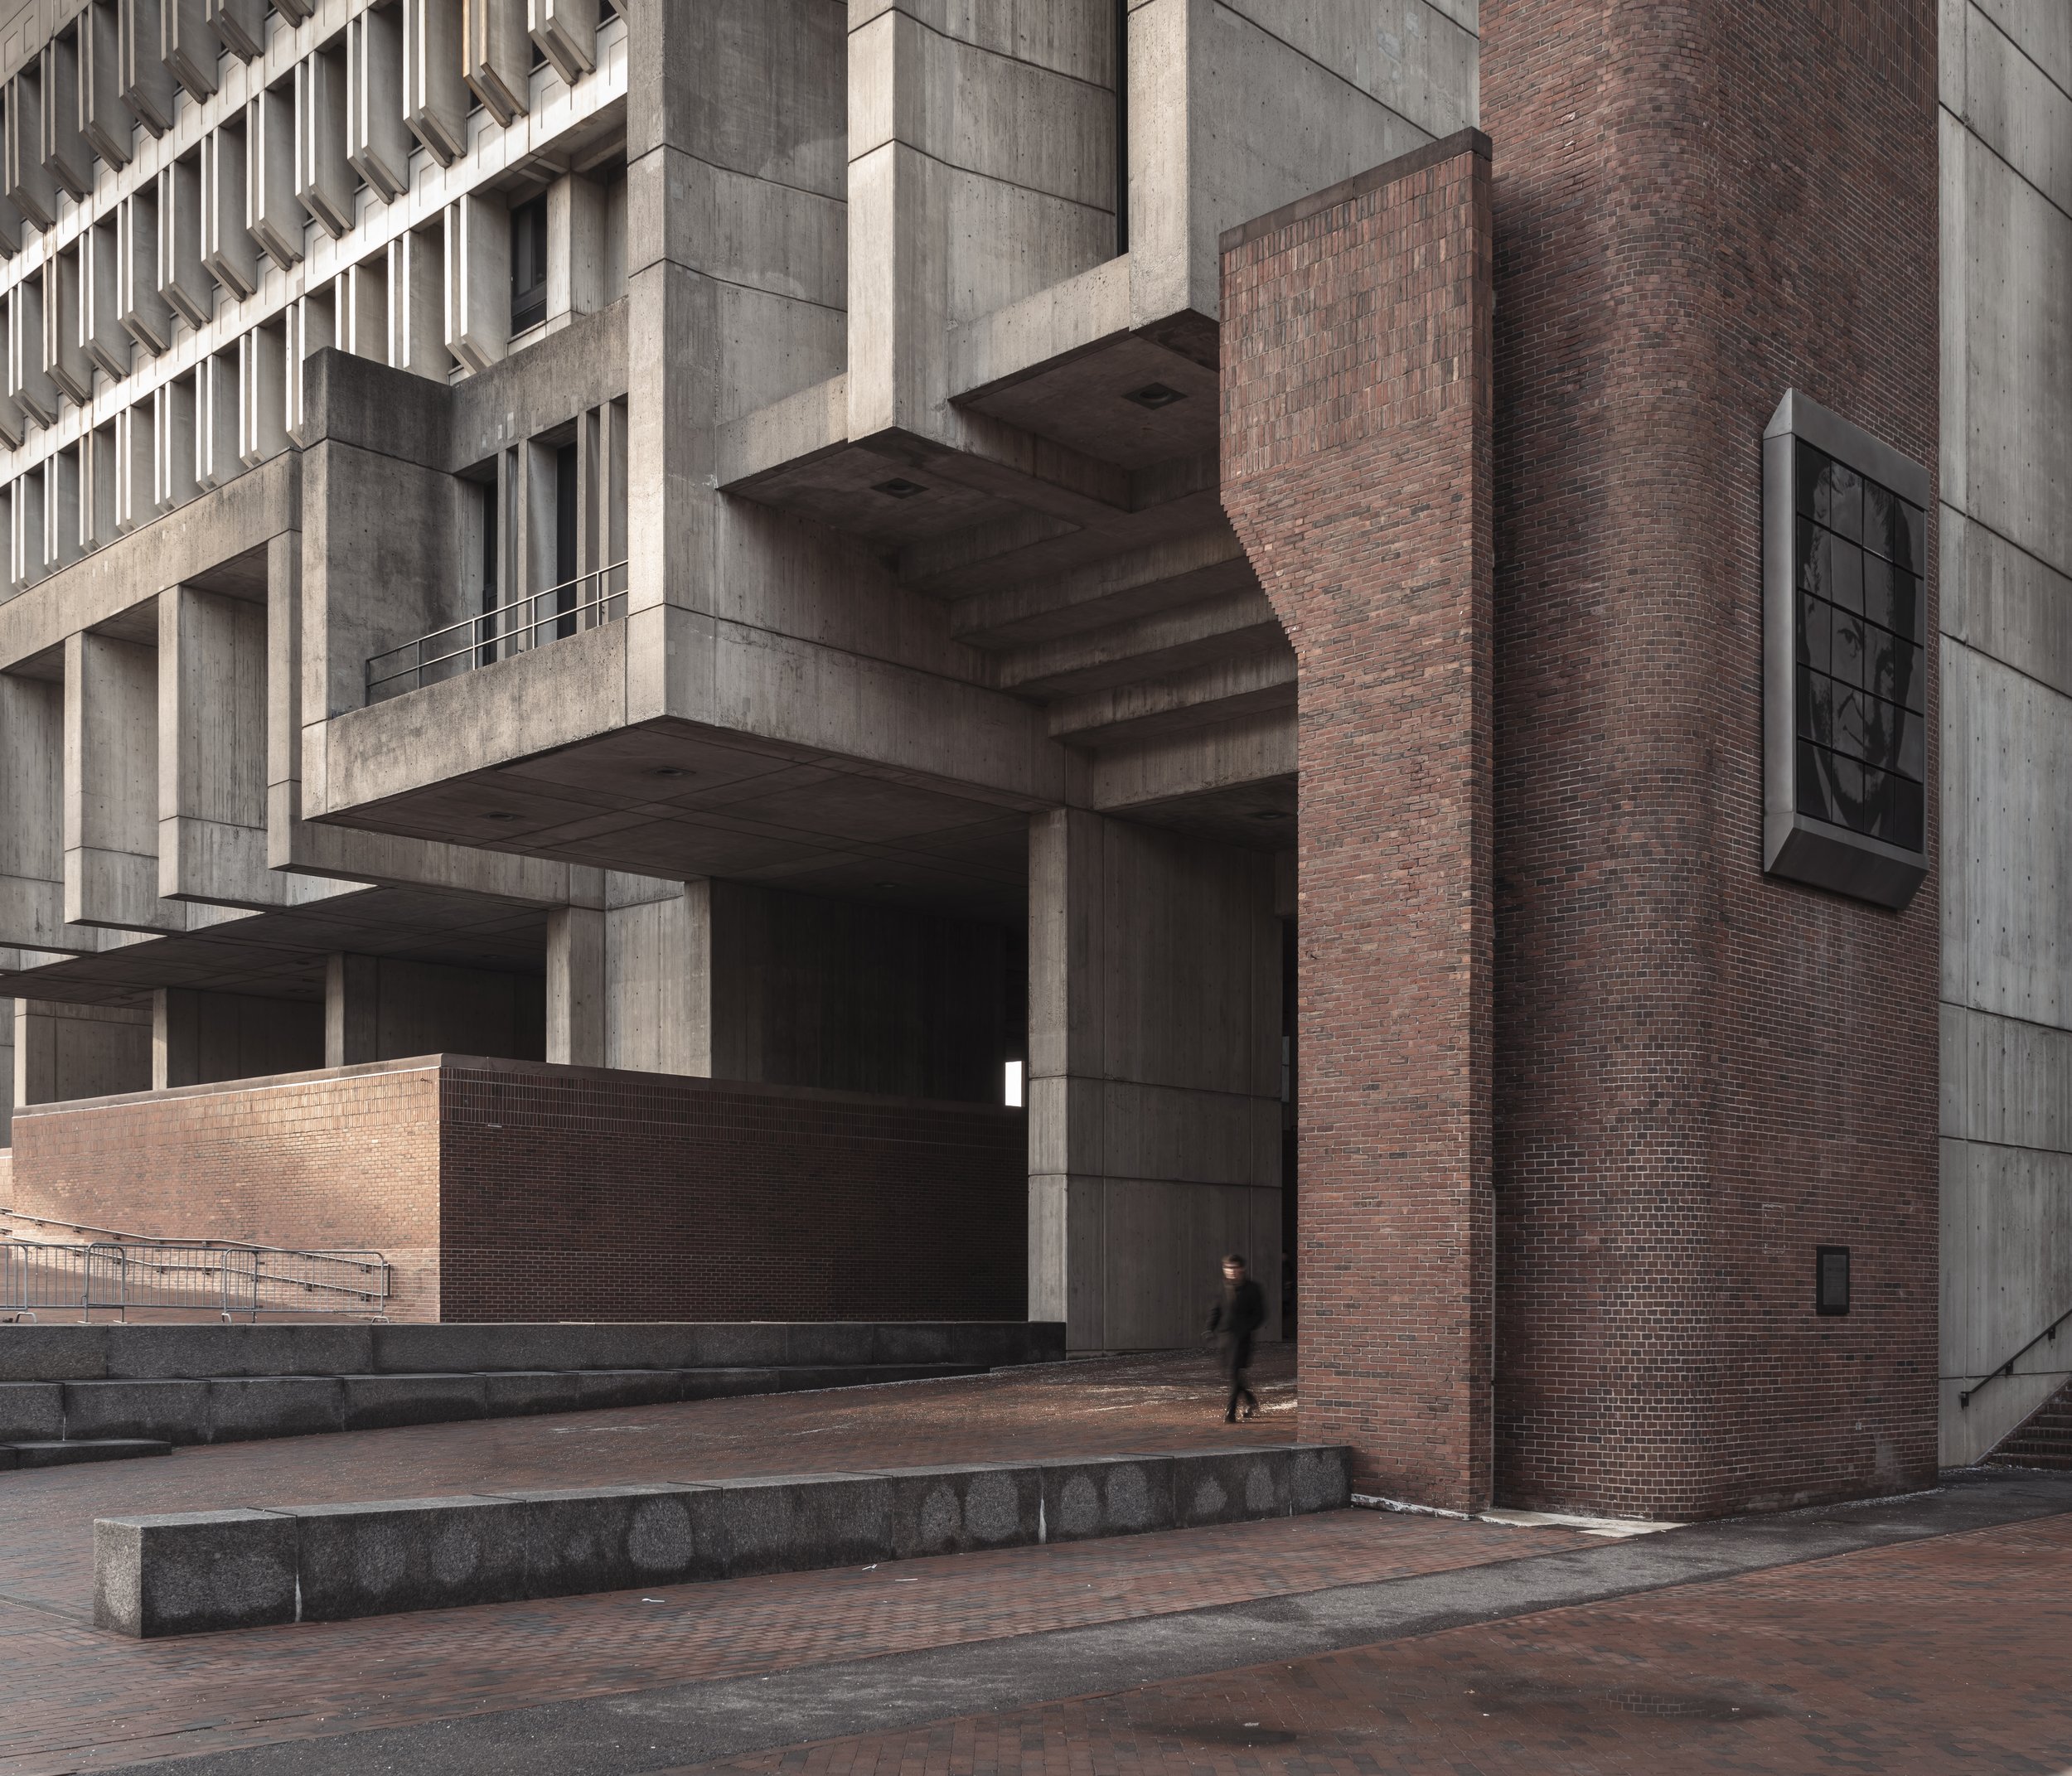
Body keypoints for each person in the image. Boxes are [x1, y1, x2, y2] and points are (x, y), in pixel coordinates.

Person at [1205, 1252, 1266, 1422]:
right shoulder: (1222, 1288)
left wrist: (1246, 1328)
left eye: (1234, 1268)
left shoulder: (1253, 1289)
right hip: (1225, 1339)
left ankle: (1230, 1413)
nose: (1231, 1271)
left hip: (1242, 1339)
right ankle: (1250, 1400)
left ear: (1242, 1269)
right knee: (1233, 1374)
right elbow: (1215, 1311)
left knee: (1235, 1373)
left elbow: (1260, 1314)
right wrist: (1209, 1328)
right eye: (1227, 1268)